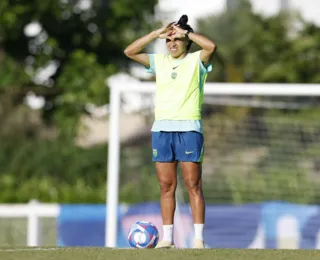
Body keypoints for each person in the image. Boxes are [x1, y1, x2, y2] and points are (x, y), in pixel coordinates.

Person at [124, 14, 217, 249]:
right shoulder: (160, 62)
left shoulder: (197, 60)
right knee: (166, 186)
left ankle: (198, 239)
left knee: (193, 184)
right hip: (162, 129)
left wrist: (185, 32)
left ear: (186, 41)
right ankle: (167, 238)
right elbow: (130, 52)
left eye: (176, 39)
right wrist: (156, 33)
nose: (172, 43)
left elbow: (211, 46)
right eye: (169, 40)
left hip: (189, 129)